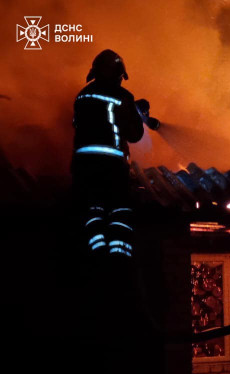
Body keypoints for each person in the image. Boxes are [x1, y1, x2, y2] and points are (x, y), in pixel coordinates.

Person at [72, 49, 145, 259]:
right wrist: (137, 113)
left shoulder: (82, 95)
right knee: (120, 210)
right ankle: (118, 255)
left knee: (92, 208)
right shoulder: (123, 97)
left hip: (82, 165)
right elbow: (135, 135)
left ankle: (95, 252)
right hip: (111, 166)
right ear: (118, 75)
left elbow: (76, 124)